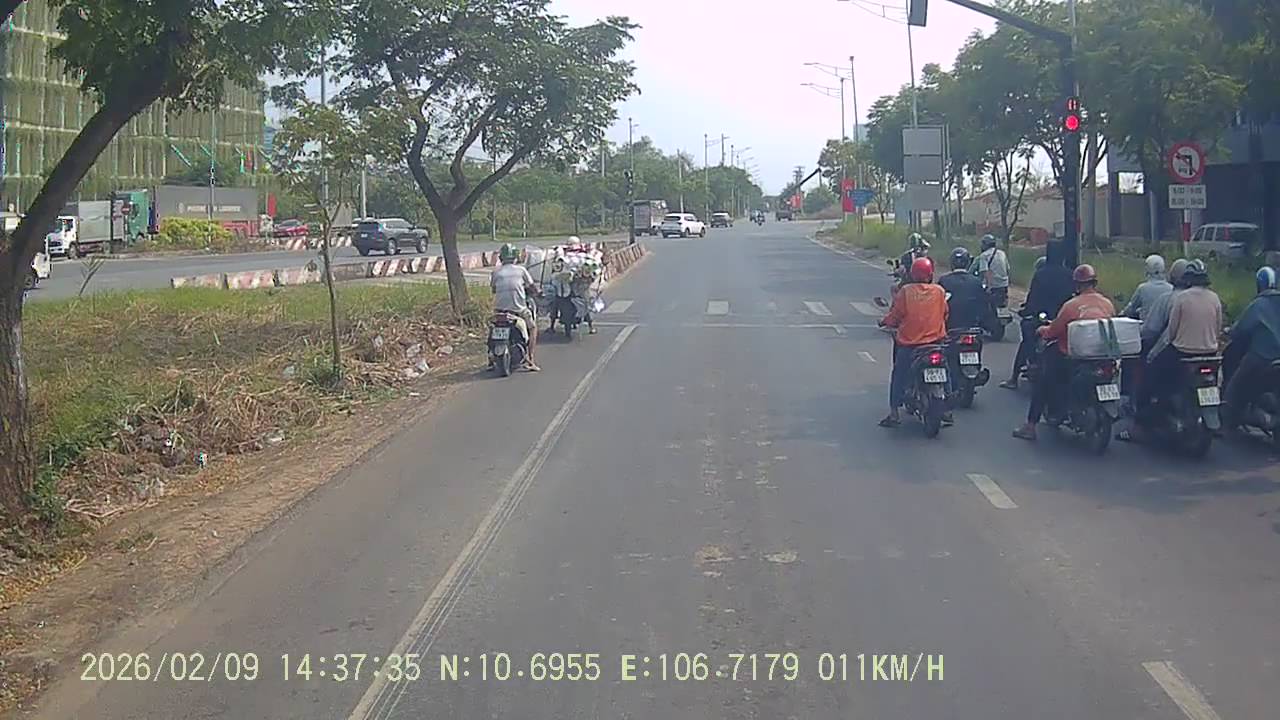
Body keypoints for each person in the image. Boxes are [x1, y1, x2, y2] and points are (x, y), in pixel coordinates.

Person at [1013, 264, 1115, 441]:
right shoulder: (1108, 304)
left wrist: (1042, 330)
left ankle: (1030, 426)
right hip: (1101, 356)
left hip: (1073, 357)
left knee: (1042, 381)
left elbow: (1054, 331)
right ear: (1094, 283)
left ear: (1077, 284)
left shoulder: (1071, 306)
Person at [1140, 259, 1222, 410]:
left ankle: (1152, 408)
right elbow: (1218, 329)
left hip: (1183, 353)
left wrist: (1153, 354)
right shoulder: (1215, 298)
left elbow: (1171, 333)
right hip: (1210, 354)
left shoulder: (1181, 298)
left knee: (1152, 370)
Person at [878, 257, 949, 427]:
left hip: (911, 345)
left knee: (899, 374)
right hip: (936, 343)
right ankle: (947, 409)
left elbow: (895, 316)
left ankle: (894, 413)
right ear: (930, 274)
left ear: (912, 274)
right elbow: (945, 313)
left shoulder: (906, 292)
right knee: (946, 370)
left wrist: (884, 322)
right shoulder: (939, 291)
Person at [1000, 256, 1075, 389]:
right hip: (1059, 317)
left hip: (1047, 319)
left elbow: (1032, 299)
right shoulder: (1068, 276)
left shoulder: (1040, 276)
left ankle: (1014, 378)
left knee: (1026, 340)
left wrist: (1026, 311)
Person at [1222, 267, 1280, 428]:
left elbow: (1240, 329)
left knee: (1235, 387)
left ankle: (1225, 421)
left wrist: (1229, 331)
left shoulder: (1258, 304)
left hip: (1261, 357)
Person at [491, 243, 541, 371]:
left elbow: (494, 289)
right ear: (515, 257)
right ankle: (531, 359)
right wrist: (538, 293)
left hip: (499, 310)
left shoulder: (495, 272)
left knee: (492, 328)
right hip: (518, 310)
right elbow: (532, 287)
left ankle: (490, 358)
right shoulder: (521, 270)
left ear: (501, 258)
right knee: (533, 328)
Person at [938, 247, 987, 331]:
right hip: (972, 324)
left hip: (950, 325)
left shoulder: (944, 281)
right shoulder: (976, 282)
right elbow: (983, 305)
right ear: (968, 263)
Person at [975, 234, 1010, 310]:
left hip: (993, 286)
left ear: (985, 244)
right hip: (1004, 285)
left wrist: (989, 287)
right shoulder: (1002, 253)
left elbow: (985, 272)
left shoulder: (984, 255)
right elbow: (1007, 269)